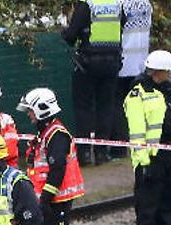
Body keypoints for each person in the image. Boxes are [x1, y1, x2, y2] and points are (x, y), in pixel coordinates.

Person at [17, 88, 86, 225]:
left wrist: (44, 199)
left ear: (41, 109)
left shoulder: (56, 135)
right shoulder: (46, 133)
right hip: (49, 200)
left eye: (30, 111)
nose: (29, 115)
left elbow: (57, 170)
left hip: (56, 201)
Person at [123, 50, 171, 225]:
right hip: (149, 158)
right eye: (168, 71)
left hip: (166, 154)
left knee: (167, 202)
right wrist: (143, 162)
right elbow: (136, 131)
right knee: (148, 207)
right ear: (159, 71)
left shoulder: (170, 90)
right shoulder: (138, 94)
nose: (170, 74)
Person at [62, 0, 124, 165]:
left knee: (84, 108)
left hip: (88, 63)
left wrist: (65, 31)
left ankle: (85, 155)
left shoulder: (87, 4)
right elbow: (122, 25)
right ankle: (102, 152)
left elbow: (70, 36)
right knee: (106, 106)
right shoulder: (117, 4)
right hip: (112, 62)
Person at [111, 0, 152, 159]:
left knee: (118, 108)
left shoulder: (119, 4)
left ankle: (118, 150)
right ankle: (140, 145)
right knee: (138, 109)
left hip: (122, 64)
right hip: (141, 65)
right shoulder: (146, 4)